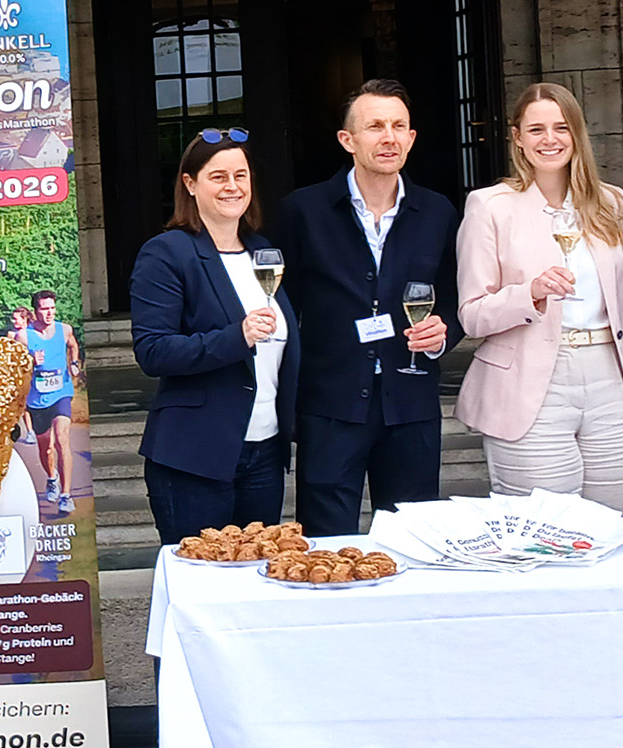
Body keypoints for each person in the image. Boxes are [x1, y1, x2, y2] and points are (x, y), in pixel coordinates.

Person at [454, 84, 623, 510]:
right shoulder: (490, 206)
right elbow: (472, 316)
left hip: (610, 381)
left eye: (561, 128)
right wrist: (530, 293)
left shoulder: (612, 203)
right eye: (537, 129)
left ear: (577, 134)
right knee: (544, 532)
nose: (550, 139)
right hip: (530, 382)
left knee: (607, 525)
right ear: (518, 138)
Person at [274, 80, 462, 536]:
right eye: (375, 126)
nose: (389, 137)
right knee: (324, 540)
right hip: (330, 403)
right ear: (348, 140)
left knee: (413, 540)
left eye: (399, 126)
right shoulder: (304, 211)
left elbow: (456, 299)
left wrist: (443, 335)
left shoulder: (437, 212)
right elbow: (281, 306)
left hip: (410, 401)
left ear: (412, 138)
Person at [129, 130, 298, 541]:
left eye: (240, 175)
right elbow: (153, 351)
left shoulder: (263, 252)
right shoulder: (168, 252)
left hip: (265, 449)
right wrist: (235, 336)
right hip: (195, 456)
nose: (232, 186)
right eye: (218, 176)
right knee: (201, 584)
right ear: (190, 183)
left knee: (254, 583)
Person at [22, 289, 83, 514]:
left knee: (62, 439)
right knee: (45, 447)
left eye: (51, 308)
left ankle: (66, 495)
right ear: (35, 312)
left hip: (61, 392)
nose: (49, 313)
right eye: (44, 309)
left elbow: (73, 346)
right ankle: (52, 477)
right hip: (37, 399)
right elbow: (15, 368)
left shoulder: (64, 329)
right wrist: (29, 360)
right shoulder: (24, 336)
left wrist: (74, 363)